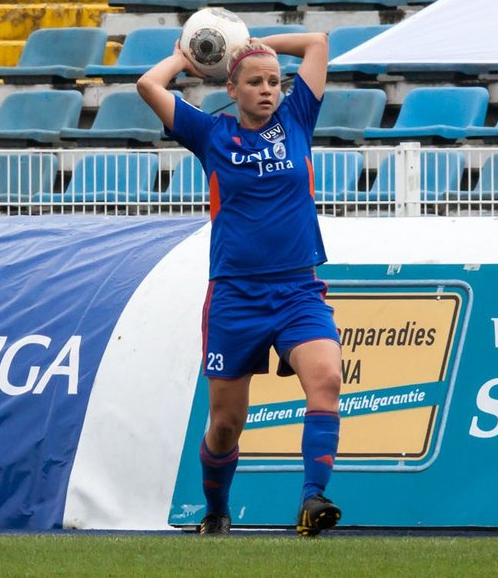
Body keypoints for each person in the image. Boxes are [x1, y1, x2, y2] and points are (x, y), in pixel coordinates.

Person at [137, 32, 343, 537]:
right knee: (226, 424)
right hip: (235, 296)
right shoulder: (210, 134)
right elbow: (148, 84)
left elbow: (317, 43)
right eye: (255, 81)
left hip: (298, 289)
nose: (268, 89)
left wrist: (255, 41)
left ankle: (312, 501)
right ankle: (216, 510)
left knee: (327, 382)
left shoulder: (297, 120)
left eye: (275, 81)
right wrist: (187, 58)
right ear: (233, 88)